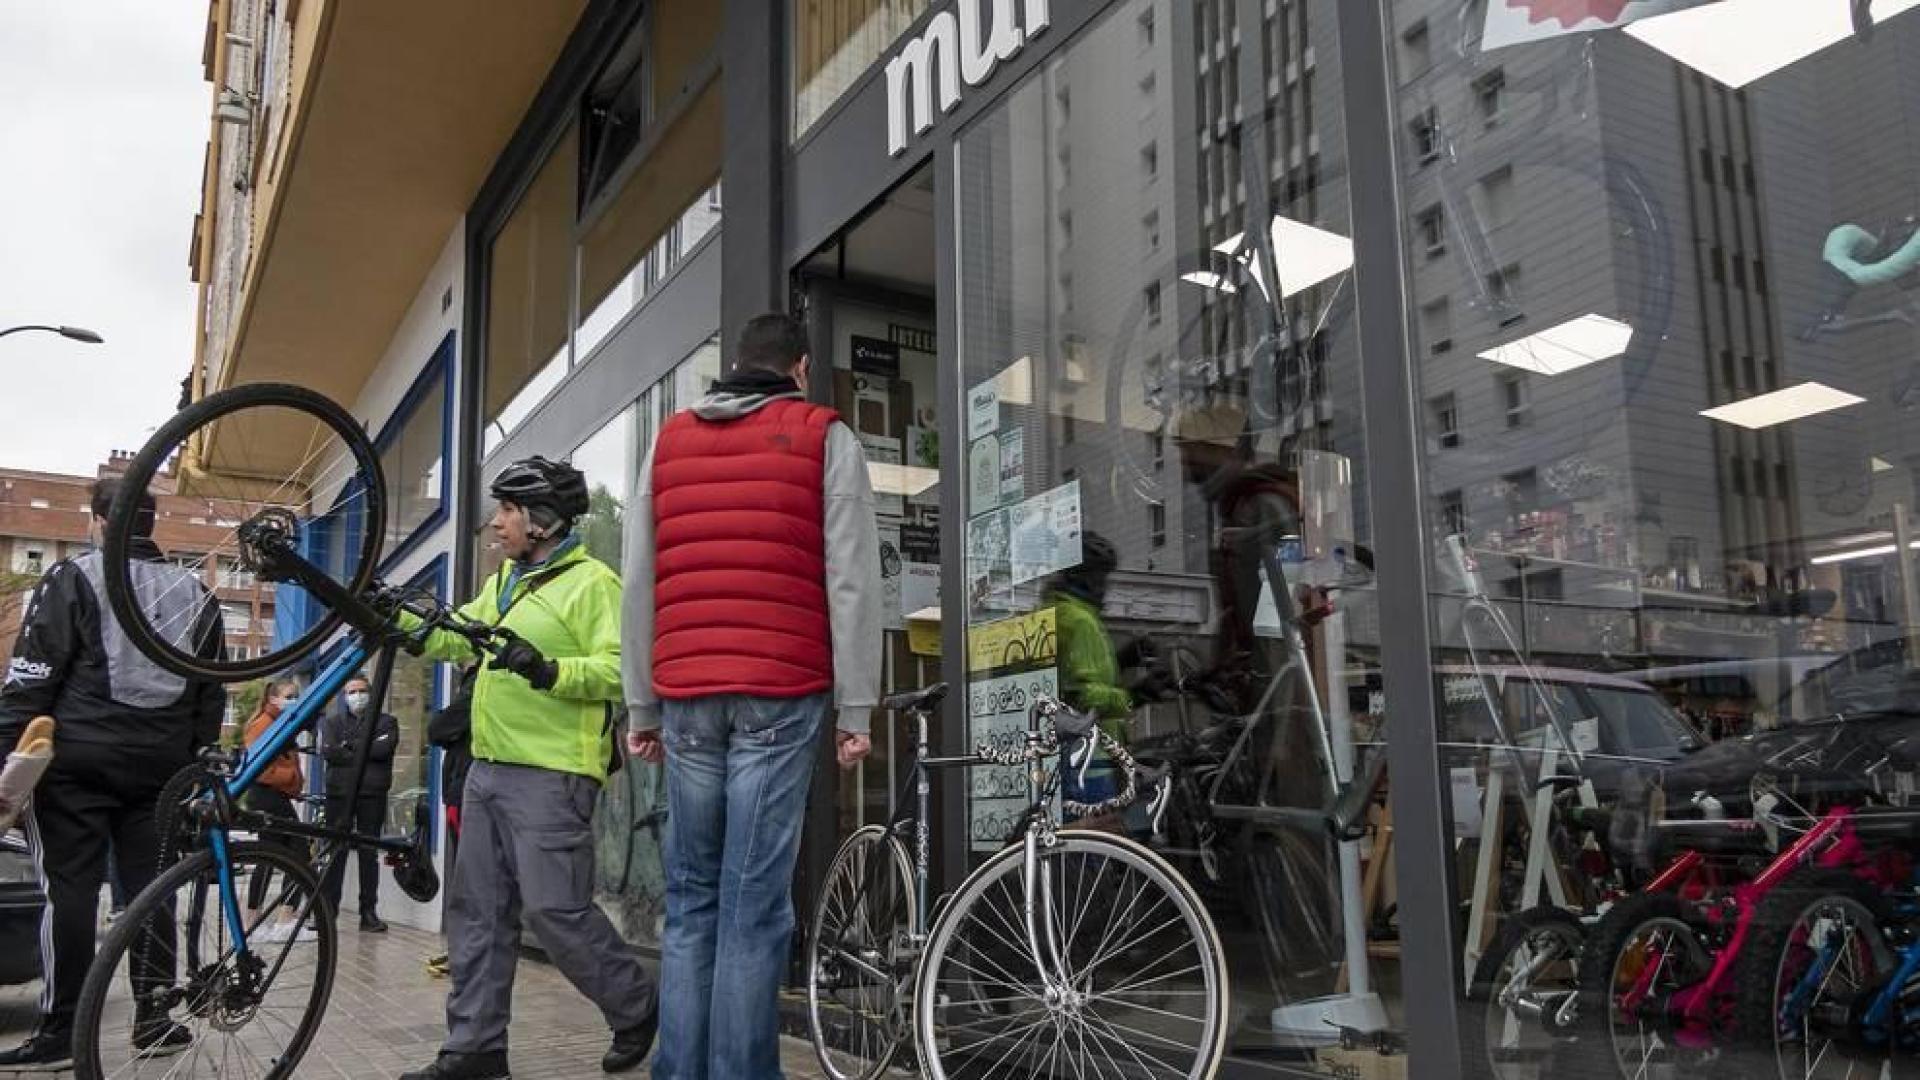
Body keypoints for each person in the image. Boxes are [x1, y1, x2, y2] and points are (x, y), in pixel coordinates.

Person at [622, 312, 882, 1080]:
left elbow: (639, 581)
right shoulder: (825, 435)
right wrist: (857, 708)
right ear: (799, 368)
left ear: (734, 367)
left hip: (687, 692)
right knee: (752, 904)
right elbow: (852, 580)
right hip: (780, 688)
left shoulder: (668, 443)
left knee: (691, 898)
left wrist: (641, 705)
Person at [399, 457, 657, 1080]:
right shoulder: (505, 584)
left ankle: (638, 1005)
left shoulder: (593, 584)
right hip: (487, 768)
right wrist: (399, 619)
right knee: (478, 914)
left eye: (508, 511)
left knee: (553, 911)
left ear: (542, 520)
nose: (497, 522)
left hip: (552, 772)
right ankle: (476, 1049)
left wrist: (550, 669)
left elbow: (623, 669)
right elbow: (460, 637)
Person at [0, 479, 225, 1068]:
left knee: (70, 891)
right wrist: (192, 764)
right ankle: (155, 1020)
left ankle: (62, 1032)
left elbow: (31, 678)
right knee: (152, 890)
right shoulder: (196, 591)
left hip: (78, 764)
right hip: (162, 770)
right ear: (149, 522)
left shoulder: (73, 577)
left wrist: (6, 764)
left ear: (99, 520)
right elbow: (211, 694)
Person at [320, 673, 398, 932]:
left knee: (368, 853)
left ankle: (368, 912)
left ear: (371, 693)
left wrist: (349, 746)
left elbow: (382, 750)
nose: (357, 696)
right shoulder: (332, 722)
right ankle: (328, 911)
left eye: (361, 691)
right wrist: (363, 749)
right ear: (344, 696)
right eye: (351, 692)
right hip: (339, 794)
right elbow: (329, 751)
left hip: (371, 794)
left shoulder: (387, 722)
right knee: (334, 851)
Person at [244, 678, 314, 942]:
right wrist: (291, 778)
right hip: (268, 796)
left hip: (273, 797)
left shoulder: (280, 723)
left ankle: (255, 923)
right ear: (273, 699)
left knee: (272, 856)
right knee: (297, 854)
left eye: (296, 696)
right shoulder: (263, 724)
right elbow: (258, 766)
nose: (294, 700)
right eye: (289, 696)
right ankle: (281, 920)